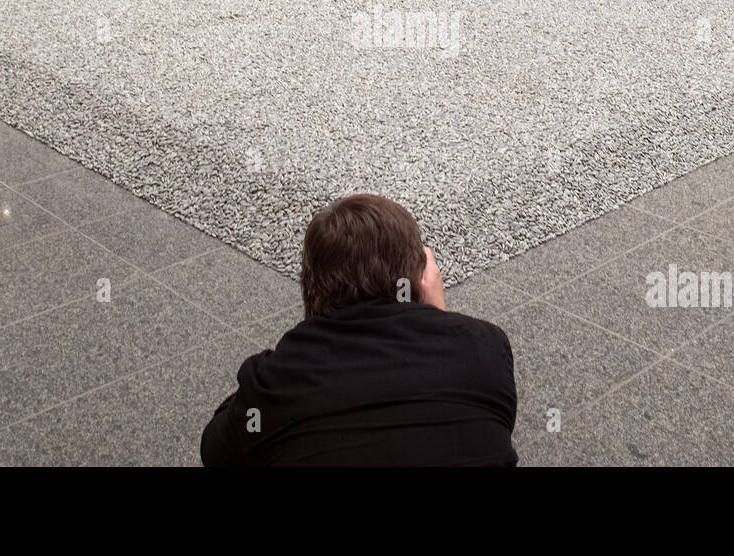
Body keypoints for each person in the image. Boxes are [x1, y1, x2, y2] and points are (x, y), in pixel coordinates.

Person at [200, 194, 518, 466]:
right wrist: (436, 319)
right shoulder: (486, 350)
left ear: (311, 286)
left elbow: (215, 453)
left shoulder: (272, 383)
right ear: (421, 279)